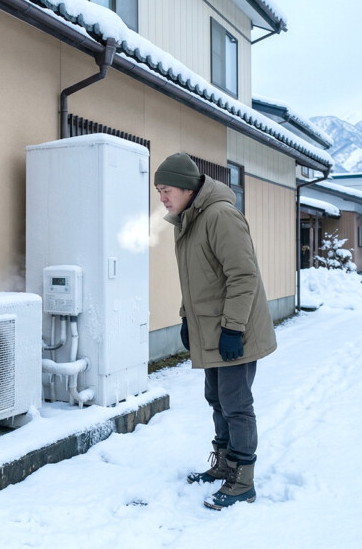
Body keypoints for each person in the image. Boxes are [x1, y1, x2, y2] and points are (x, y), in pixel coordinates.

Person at [154, 152, 277, 510]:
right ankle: (225, 464)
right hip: (211, 328)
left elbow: (243, 274)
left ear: (188, 188)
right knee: (217, 398)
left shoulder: (221, 216)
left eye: (167, 189)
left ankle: (243, 479)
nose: (162, 197)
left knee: (236, 404)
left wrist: (233, 329)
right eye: (159, 190)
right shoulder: (189, 220)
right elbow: (196, 281)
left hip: (234, 330)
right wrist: (186, 318)